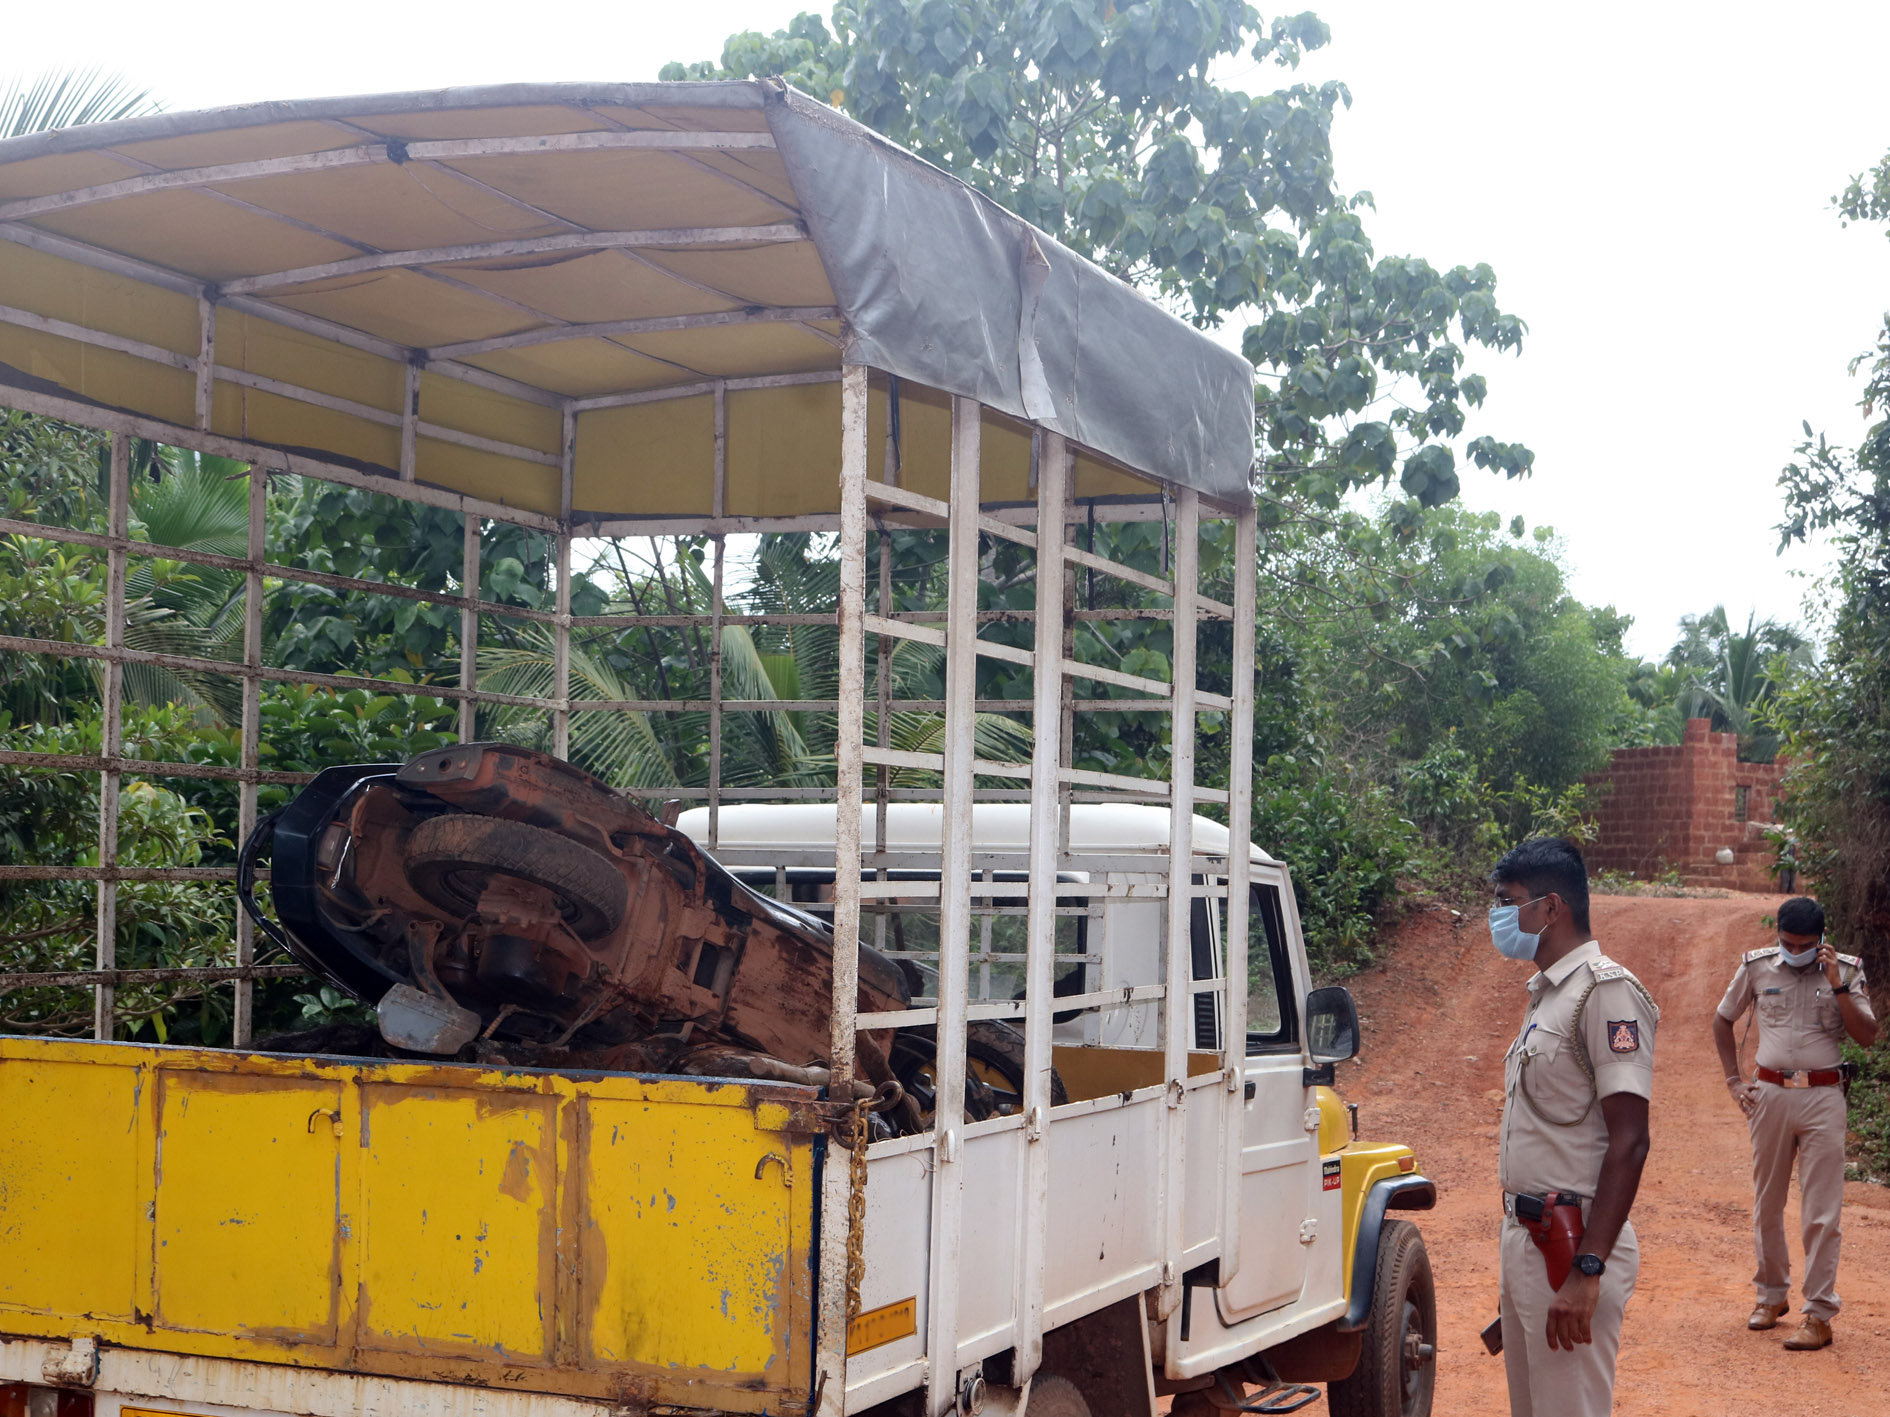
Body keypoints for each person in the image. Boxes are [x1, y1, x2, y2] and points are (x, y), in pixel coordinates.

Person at [1492, 837, 1656, 1417]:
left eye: (1509, 901)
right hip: (1531, 1238)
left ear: (1551, 908)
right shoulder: (1548, 996)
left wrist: (1588, 1269)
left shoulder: (1604, 990)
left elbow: (1630, 1140)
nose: (1500, 915)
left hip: (1572, 1243)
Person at [1713, 895, 1877, 1351]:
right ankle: (1770, 1296)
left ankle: (1819, 1314)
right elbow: (1723, 1020)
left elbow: (1867, 1036)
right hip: (1769, 1095)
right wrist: (1733, 1080)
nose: (1795, 950)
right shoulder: (1757, 967)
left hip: (1824, 1096)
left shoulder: (1845, 969)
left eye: (1805, 944)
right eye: (1787, 942)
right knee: (1768, 1201)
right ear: (1777, 937)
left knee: (1821, 1212)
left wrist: (1837, 985)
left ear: (1821, 941)